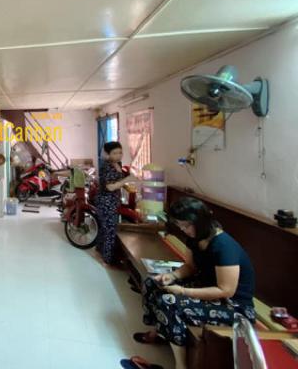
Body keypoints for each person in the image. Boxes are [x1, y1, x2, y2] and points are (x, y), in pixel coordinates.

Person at [135, 197, 256, 369]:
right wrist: (172, 276)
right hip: (206, 288)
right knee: (152, 283)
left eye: (186, 225)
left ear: (201, 221)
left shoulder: (224, 246)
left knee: (168, 301)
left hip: (234, 307)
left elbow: (226, 290)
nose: (183, 229)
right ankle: (158, 332)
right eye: (180, 225)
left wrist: (183, 291)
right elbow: (190, 266)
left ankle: (181, 365)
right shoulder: (195, 238)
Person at [95, 141, 138, 265]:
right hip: (106, 201)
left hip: (113, 200)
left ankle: (100, 250)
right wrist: (127, 179)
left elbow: (118, 181)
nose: (118, 155)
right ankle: (108, 259)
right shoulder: (106, 166)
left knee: (105, 228)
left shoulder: (118, 164)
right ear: (108, 154)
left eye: (120, 152)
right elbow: (110, 187)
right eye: (115, 153)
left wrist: (127, 181)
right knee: (110, 230)